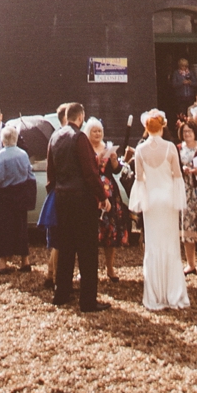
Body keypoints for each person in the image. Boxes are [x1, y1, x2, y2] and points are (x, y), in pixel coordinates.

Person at [48, 101, 107, 313]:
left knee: (65, 248)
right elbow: (90, 172)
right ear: (80, 118)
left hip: (62, 197)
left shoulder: (55, 137)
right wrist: (103, 195)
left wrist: (54, 194)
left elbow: (50, 171)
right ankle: (88, 300)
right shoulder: (79, 138)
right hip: (81, 200)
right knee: (87, 251)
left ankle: (61, 293)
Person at [129, 110, 189, 312]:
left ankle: (155, 293)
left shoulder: (140, 150)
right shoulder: (170, 147)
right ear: (162, 127)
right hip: (168, 199)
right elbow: (177, 175)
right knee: (171, 244)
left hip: (152, 201)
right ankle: (173, 293)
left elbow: (139, 178)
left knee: (153, 245)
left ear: (146, 128)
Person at [0, 121, 35, 273]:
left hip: (5, 197)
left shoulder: (1, 155)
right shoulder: (24, 155)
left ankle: (3, 264)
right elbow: (29, 174)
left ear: (3, 141)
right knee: (21, 228)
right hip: (20, 195)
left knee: (3, 230)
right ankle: (25, 261)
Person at [85, 118, 128, 282]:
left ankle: (110, 268)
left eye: (100, 131)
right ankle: (89, 269)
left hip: (109, 193)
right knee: (91, 234)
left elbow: (116, 171)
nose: (97, 134)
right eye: (94, 131)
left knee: (110, 231)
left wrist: (114, 161)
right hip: (91, 193)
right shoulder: (86, 149)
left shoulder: (108, 147)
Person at [39, 103, 70, 286]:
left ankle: (51, 273)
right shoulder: (63, 139)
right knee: (59, 236)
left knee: (55, 237)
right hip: (62, 191)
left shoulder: (54, 138)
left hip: (55, 190)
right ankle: (55, 275)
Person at [179, 120, 197, 277]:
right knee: (187, 227)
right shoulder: (179, 149)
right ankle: (190, 263)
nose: (187, 134)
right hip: (186, 191)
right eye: (184, 132)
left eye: (189, 131)